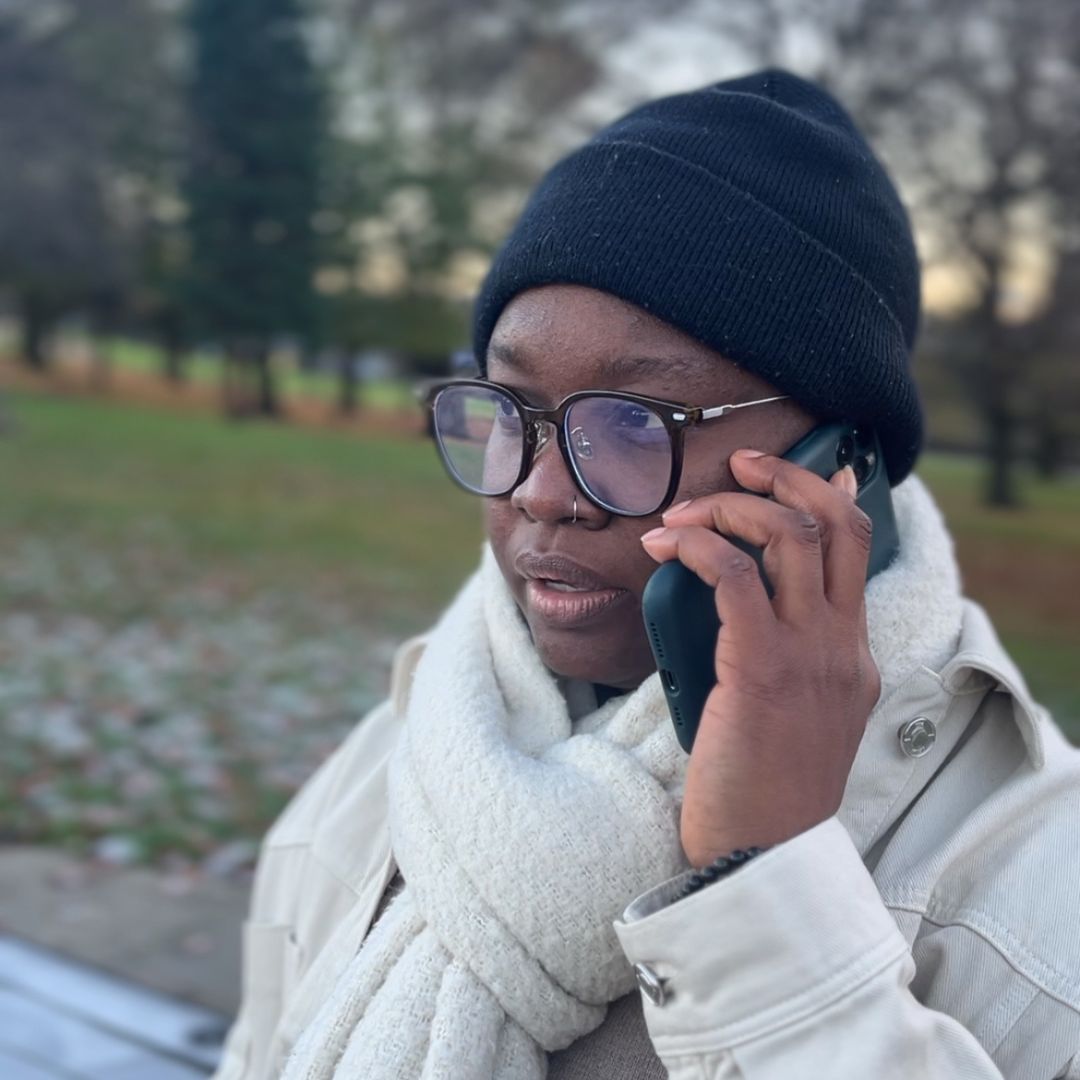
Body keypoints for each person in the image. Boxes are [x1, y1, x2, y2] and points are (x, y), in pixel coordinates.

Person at [214, 70, 1080, 1079]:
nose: (540, 492)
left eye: (634, 423)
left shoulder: (1038, 888)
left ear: (836, 472)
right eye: (510, 409)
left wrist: (765, 881)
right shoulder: (412, 740)